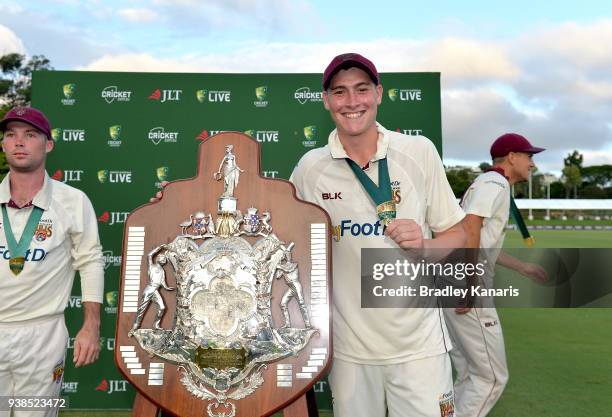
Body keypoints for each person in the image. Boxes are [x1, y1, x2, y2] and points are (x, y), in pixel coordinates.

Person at [289, 53, 466, 417]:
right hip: (350, 352)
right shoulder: (311, 169)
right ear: (326, 101)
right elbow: (282, 239)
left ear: (379, 93)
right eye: (340, 92)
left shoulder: (418, 151)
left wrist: (425, 245)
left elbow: (458, 236)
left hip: (420, 348)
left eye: (361, 89)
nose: (352, 102)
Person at [0, 107, 104, 417]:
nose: (19, 142)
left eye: (30, 135)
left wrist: (91, 326)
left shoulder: (73, 201)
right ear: (3, 144)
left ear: (48, 145)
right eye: (10, 135)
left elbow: (91, 261)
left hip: (42, 334)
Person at [443, 133, 548, 417]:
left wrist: (522, 267)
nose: (532, 164)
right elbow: (471, 226)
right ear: (512, 156)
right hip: (465, 282)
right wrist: (472, 282)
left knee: (469, 374)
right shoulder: (495, 182)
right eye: (529, 157)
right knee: (490, 378)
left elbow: (481, 240)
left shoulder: (488, 182)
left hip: (450, 280)